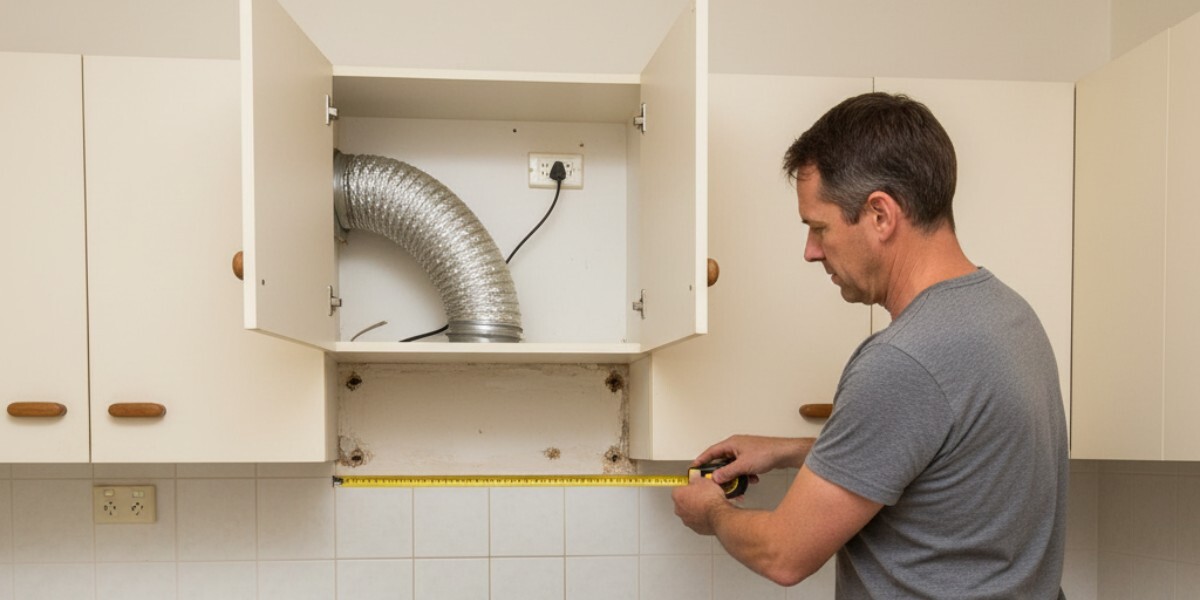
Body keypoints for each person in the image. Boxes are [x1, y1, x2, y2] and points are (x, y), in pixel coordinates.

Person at [671, 92, 1069, 599]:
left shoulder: (903, 360)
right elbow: (946, 463)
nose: (811, 252)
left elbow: (783, 554)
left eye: (819, 227)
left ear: (880, 215)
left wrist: (711, 511)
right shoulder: (1009, 315)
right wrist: (792, 452)